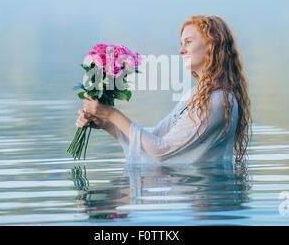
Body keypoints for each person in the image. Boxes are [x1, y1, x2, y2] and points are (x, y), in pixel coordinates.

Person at [76, 15, 252, 164]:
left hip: (205, 193)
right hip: (183, 189)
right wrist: (105, 124)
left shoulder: (218, 100)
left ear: (212, 45)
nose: (181, 50)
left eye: (188, 42)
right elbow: (153, 140)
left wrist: (111, 114)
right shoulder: (195, 95)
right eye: (182, 43)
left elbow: (161, 151)